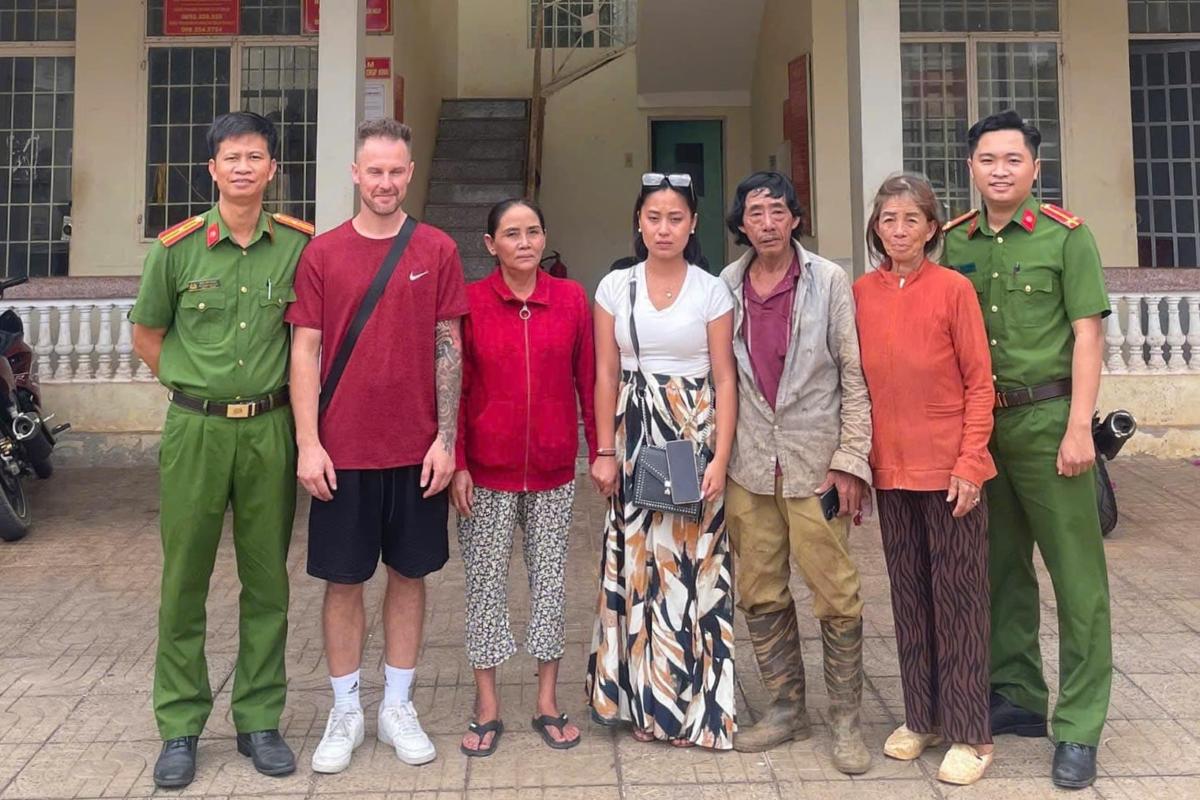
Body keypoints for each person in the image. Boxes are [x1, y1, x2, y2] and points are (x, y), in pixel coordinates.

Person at [130, 111, 314, 789]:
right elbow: (148, 334)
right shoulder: (175, 249)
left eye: (255, 157)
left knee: (267, 580)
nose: (243, 167)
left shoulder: (298, 246)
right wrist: (194, 387)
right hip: (196, 431)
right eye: (231, 157)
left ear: (272, 169)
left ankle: (259, 718)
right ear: (212, 169)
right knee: (184, 581)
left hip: (271, 428)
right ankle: (180, 725)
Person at [286, 119, 468, 774]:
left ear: (409, 173)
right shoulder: (323, 254)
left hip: (416, 449)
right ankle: (345, 709)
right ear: (355, 174)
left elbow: (450, 344)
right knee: (342, 582)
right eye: (375, 171)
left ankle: (397, 704)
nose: (386, 182)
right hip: (342, 451)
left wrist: (447, 439)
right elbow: (304, 351)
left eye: (396, 170)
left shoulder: (438, 248)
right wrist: (308, 443)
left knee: (409, 576)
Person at [943, 109, 1112, 790]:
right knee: (999, 568)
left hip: (1048, 422)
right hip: (985, 429)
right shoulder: (956, 242)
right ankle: (1016, 692)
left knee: (1077, 581)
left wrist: (1080, 427)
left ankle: (1079, 725)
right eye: (988, 159)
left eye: (1013, 159)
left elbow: (1090, 335)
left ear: (1035, 168)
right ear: (972, 168)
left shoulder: (1067, 239)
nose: (1001, 170)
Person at [719, 171, 873, 774]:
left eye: (778, 211)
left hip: (816, 464)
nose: (767, 222)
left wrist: (851, 461)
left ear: (795, 218)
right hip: (750, 466)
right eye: (755, 212)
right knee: (758, 589)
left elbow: (854, 376)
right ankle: (785, 709)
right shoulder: (725, 286)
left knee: (836, 592)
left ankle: (845, 721)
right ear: (741, 223)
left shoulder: (828, 280)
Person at [853, 173, 996, 785]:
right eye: (889, 220)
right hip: (891, 468)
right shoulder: (862, 291)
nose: (900, 230)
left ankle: (971, 732)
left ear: (933, 228)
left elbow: (979, 382)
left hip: (949, 469)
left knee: (959, 600)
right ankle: (922, 717)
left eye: (912, 219)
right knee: (909, 597)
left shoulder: (953, 290)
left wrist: (970, 462)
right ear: (875, 229)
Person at [586, 172, 737, 749]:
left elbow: (725, 377)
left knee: (689, 568)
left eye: (676, 218)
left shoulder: (709, 289)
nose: (664, 228)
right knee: (636, 567)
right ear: (638, 223)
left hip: (688, 439)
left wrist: (719, 458)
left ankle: (690, 711)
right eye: (654, 217)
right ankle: (642, 705)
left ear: (693, 224)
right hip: (633, 440)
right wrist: (602, 450)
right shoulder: (613, 287)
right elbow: (603, 373)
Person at [450, 198, 598, 756]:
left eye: (533, 231)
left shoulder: (571, 300)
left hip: (555, 470)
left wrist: (598, 450)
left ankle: (546, 700)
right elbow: (456, 393)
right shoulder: (469, 303)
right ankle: (487, 704)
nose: (525, 242)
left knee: (550, 584)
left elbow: (587, 379)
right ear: (491, 245)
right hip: (485, 474)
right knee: (485, 585)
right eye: (511, 234)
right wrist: (458, 461)